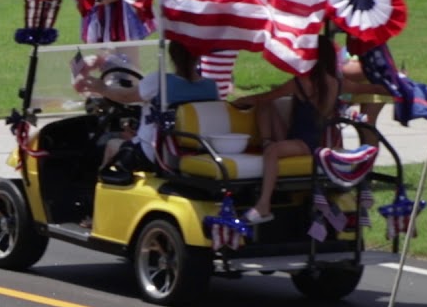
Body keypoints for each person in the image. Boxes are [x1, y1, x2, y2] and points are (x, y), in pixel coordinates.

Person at [231, 35, 341, 225]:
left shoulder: (305, 82)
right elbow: (266, 99)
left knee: (273, 151)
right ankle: (267, 143)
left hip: (309, 144)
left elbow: (266, 95)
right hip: (295, 137)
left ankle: (264, 204)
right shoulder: (332, 82)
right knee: (266, 106)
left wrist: (242, 100)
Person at [76, 41, 218, 175]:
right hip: (193, 149)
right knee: (129, 136)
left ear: (172, 56)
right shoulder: (211, 87)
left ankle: (100, 185)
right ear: (198, 57)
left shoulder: (159, 81)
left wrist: (103, 88)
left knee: (112, 143)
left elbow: (125, 97)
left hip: (155, 153)